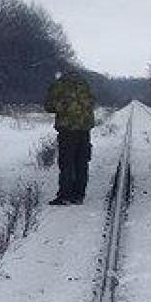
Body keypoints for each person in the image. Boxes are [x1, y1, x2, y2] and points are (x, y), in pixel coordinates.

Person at [44, 69, 95, 205]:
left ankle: (65, 195)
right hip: (84, 130)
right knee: (82, 163)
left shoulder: (60, 85)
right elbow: (92, 102)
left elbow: (49, 106)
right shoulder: (84, 84)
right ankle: (79, 195)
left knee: (67, 163)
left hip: (67, 130)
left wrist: (63, 106)